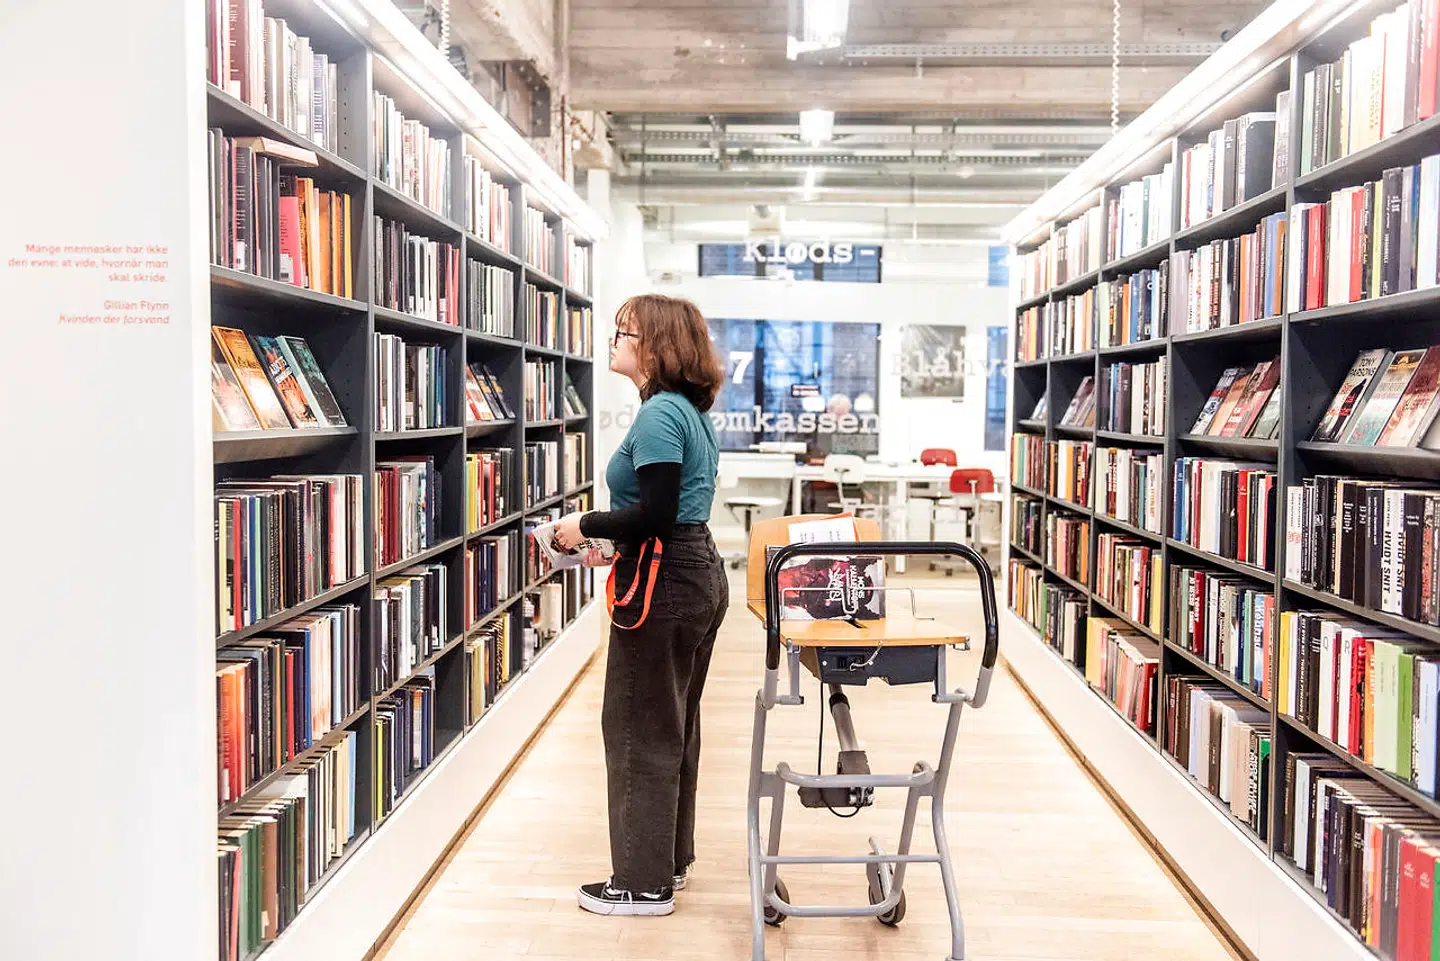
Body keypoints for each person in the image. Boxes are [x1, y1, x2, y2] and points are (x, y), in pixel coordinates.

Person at [551, 293, 728, 917]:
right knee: (673, 723)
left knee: (636, 726)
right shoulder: (688, 412)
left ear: (654, 346)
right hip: (693, 568)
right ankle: (667, 862)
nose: (614, 341)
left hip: (667, 578)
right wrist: (611, 545)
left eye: (623, 332)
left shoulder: (658, 415)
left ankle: (641, 884)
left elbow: (655, 512)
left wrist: (583, 525)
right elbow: (671, 513)